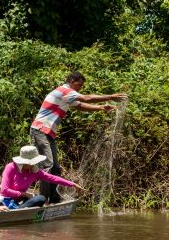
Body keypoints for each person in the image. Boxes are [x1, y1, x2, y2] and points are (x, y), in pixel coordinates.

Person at [30, 71, 127, 202]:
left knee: (56, 168)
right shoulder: (64, 91)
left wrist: (101, 108)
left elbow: (80, 106)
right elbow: (86, 98)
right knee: (47, 165)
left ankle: (54, 198)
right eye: (79, 85)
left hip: (48, 133)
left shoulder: (68, 95)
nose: (80, 88)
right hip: (40, 130)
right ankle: (43, 198)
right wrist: (111, 96)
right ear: (72, 81)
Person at [0, 145, 84, 209]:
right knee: (39, 198)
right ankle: (16, 210)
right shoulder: (11, 167)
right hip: (7, 201)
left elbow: (53, 178)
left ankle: (19, 209)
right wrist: (23, 194)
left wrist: (72, 184)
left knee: (40, 198)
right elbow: (4, 190)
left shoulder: (34, 171)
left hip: (22, 200)